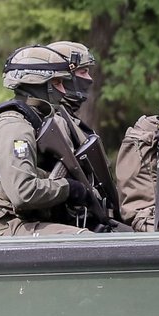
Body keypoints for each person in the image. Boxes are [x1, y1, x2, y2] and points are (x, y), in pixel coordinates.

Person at [0, 46, 100, 237]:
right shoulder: (15, 127)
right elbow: (23, 193)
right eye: (57, 83)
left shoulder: (31, 120)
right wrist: (69, 188)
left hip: (16, 220)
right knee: (85, 240)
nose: (63, 90)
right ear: (39, 83)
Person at [48, 39, 124, 223]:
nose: (89, 79)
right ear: (65, 77)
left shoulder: (68, 120)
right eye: (82, 72)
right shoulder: (52, 121)